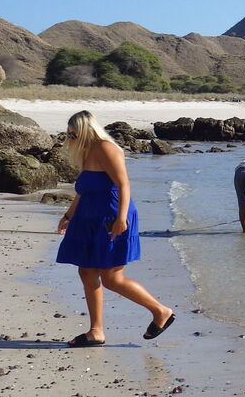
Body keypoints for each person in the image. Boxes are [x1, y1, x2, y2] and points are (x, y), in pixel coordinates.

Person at [55, 111, 174, 347]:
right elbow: (83, 191)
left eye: (73, 134)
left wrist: (121, 218)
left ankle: (161, 312)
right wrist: (68, 215)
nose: (70, 139)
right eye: (68, 135)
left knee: (111, 278)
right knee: (87, 271)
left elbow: (123, 184)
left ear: (86, 131)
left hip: (111, 217)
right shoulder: (87, 152)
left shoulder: (106, 148)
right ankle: (96, 331)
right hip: (89, 218)